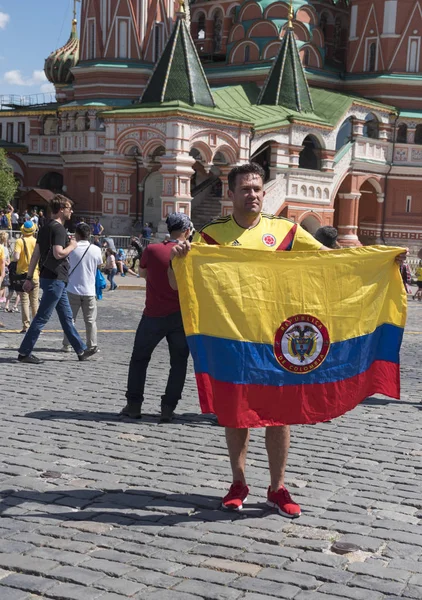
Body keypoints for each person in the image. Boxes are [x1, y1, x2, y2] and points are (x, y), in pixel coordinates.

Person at [170, 163, 333, 518]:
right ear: (231, 194)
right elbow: (175, 283)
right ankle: (238, 482)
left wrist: (379, 259)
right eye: (245, 188)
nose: (253, 194)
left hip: (276, 341)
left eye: (258, 188)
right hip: (232, 338)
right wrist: (178, 260)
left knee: (280, 415)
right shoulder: (212, 235)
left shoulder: (285, 231)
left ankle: (277, 488)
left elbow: (331, 260)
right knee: (236, 414)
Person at [121, 212, 191, 423]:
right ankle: (168, 407)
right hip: (180, 317)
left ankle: (134, 405)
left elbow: (142, 275)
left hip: (153, 315)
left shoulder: (152, 249)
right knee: (178, 363)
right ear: (187, 231)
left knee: (139, 360)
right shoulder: (191, 253)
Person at [17, 194, 98, 364]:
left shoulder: (45, 227)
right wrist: (72, 245)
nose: (71, 211)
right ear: (61, 210)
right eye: (69, 208)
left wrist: (29, 277)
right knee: (42, 317)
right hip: (56, 278)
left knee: (67, 317)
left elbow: (36, 255)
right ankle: (24, 352)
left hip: (49, 277)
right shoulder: (59, 229)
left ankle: (81, 349)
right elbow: (58, 253)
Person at [61, 223, 103, 353]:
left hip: (72, 288)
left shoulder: (72, 248)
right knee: (90, 321)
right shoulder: (96, 249)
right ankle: (92, 345)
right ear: (89, 235)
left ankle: (67, 345)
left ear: (77, 235)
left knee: (70, 320)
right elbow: (100, 266)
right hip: (89, 290)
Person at [13, 221, 40, 333]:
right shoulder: (36, 241)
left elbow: (16, 257)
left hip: (23, 275)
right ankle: (37, 326)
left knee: (24, 301)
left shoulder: (20, 241)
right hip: (34, 274)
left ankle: (26, 326)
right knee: (34, 301)